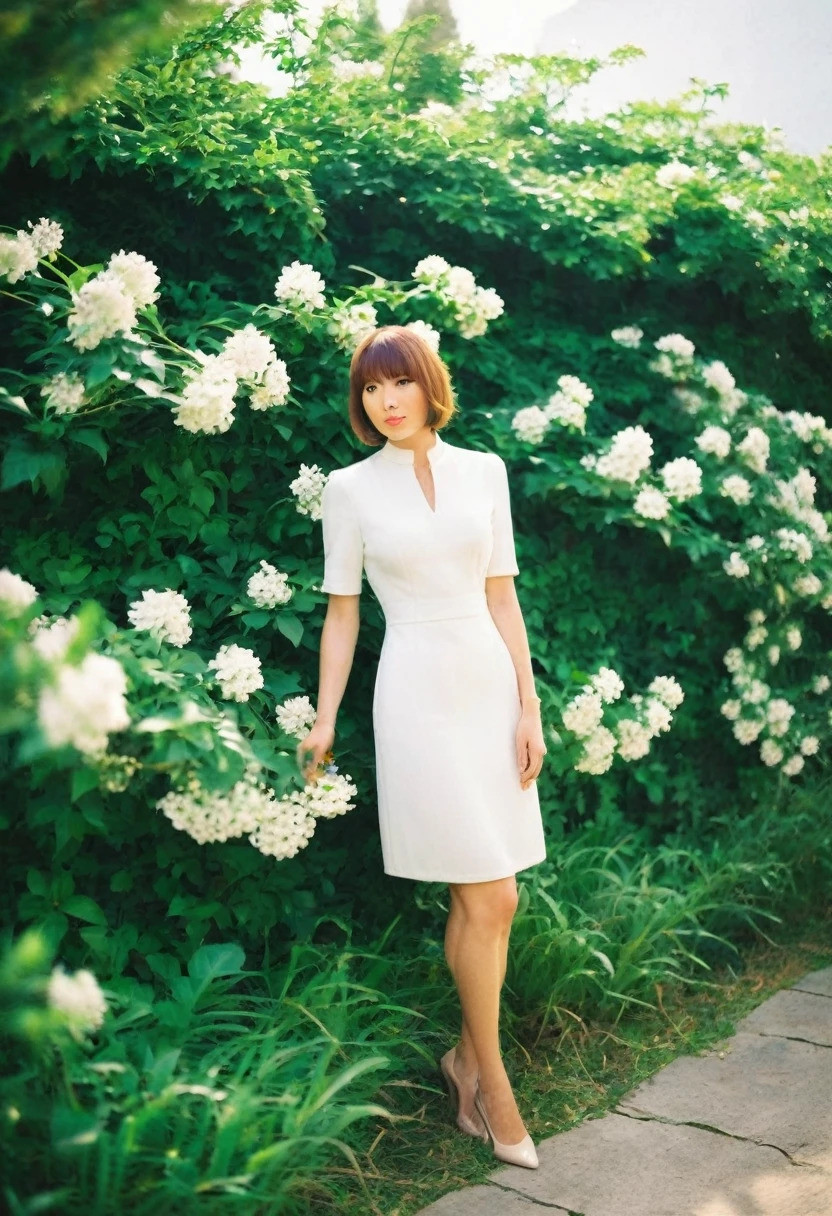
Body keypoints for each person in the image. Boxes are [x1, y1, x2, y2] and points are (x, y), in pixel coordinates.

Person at [297, 324, 547, 1169]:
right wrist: (327, 716)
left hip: (486, 685)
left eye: (398, 382)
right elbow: (342, 613)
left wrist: (529, 706)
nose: (385, 400)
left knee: (494, 897)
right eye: (370, 389)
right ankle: (493, 1085)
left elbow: (503, 597)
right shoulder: (350, 488)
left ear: (427, 384)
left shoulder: (486, 471)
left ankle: (464, 1059)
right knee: (487, 893)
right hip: (414, 693)